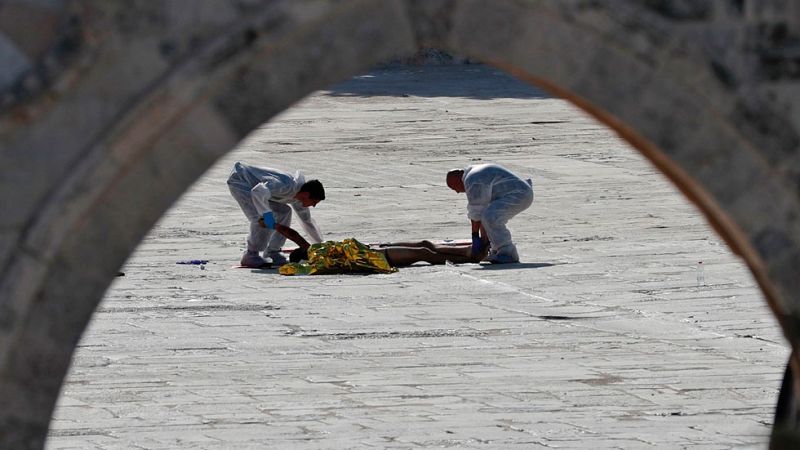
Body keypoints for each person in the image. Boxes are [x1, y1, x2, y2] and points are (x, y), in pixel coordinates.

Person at [227, 161, 325, 267]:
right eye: (314, 202)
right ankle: (251, 255)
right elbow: (258, 192)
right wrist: (266, 215)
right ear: (306, 195)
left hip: (258, 190)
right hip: (241, 181)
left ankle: (273, 251)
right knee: (260, 219)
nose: (314, 206)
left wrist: (320, 244)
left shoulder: (299, 198)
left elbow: (307, 221)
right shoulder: (285, 186)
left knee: (284, 211)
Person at [446, 163, 533, 263]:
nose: (457, 191)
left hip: (519, 194)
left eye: (454, 187)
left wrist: (475, 236)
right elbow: (482, 210)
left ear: (457, 180)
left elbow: (476, 212)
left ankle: (507, 252)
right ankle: (497, 249)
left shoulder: (472, 180)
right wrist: (483, 239)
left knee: (491, 217)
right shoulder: (474, 172)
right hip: (521, 191)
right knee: (489, 216)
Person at [289, 239, 487, 267]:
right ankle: (469, 258)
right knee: (424, 253)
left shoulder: (321, 253)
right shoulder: (320, 258)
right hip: (379, 257)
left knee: (425, 245)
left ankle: (466, 251)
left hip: (376, 252)